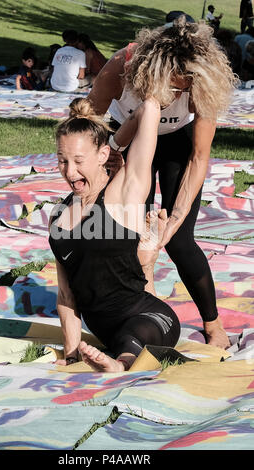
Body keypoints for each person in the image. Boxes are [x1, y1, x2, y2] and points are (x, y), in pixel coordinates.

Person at [87, 16, 238, 349]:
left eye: (182, 89)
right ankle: (131, 312)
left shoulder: (200, 82)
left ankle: (213, 326)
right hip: (128, 139)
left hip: (175, 146)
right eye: (171, 85)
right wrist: (100, 159)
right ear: (151, 72)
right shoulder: (121, 66)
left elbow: (199, 157)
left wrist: (175, 220)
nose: (175, 94)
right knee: (125, 234)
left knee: (179, 241)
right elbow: (86, 123)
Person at [48, 97, 181, 372]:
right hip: (107, 333)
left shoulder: (124, 194)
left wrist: (116, 144)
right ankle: (117, 359)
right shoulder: (58, 217)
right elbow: (66, 295)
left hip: (150, 318)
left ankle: (120, 365)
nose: (70, 171)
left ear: (101, 156)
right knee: (122, 339)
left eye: (78, 160)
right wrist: (72, 356)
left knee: (134, 335)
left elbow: (150, 108)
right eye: (62, 161)